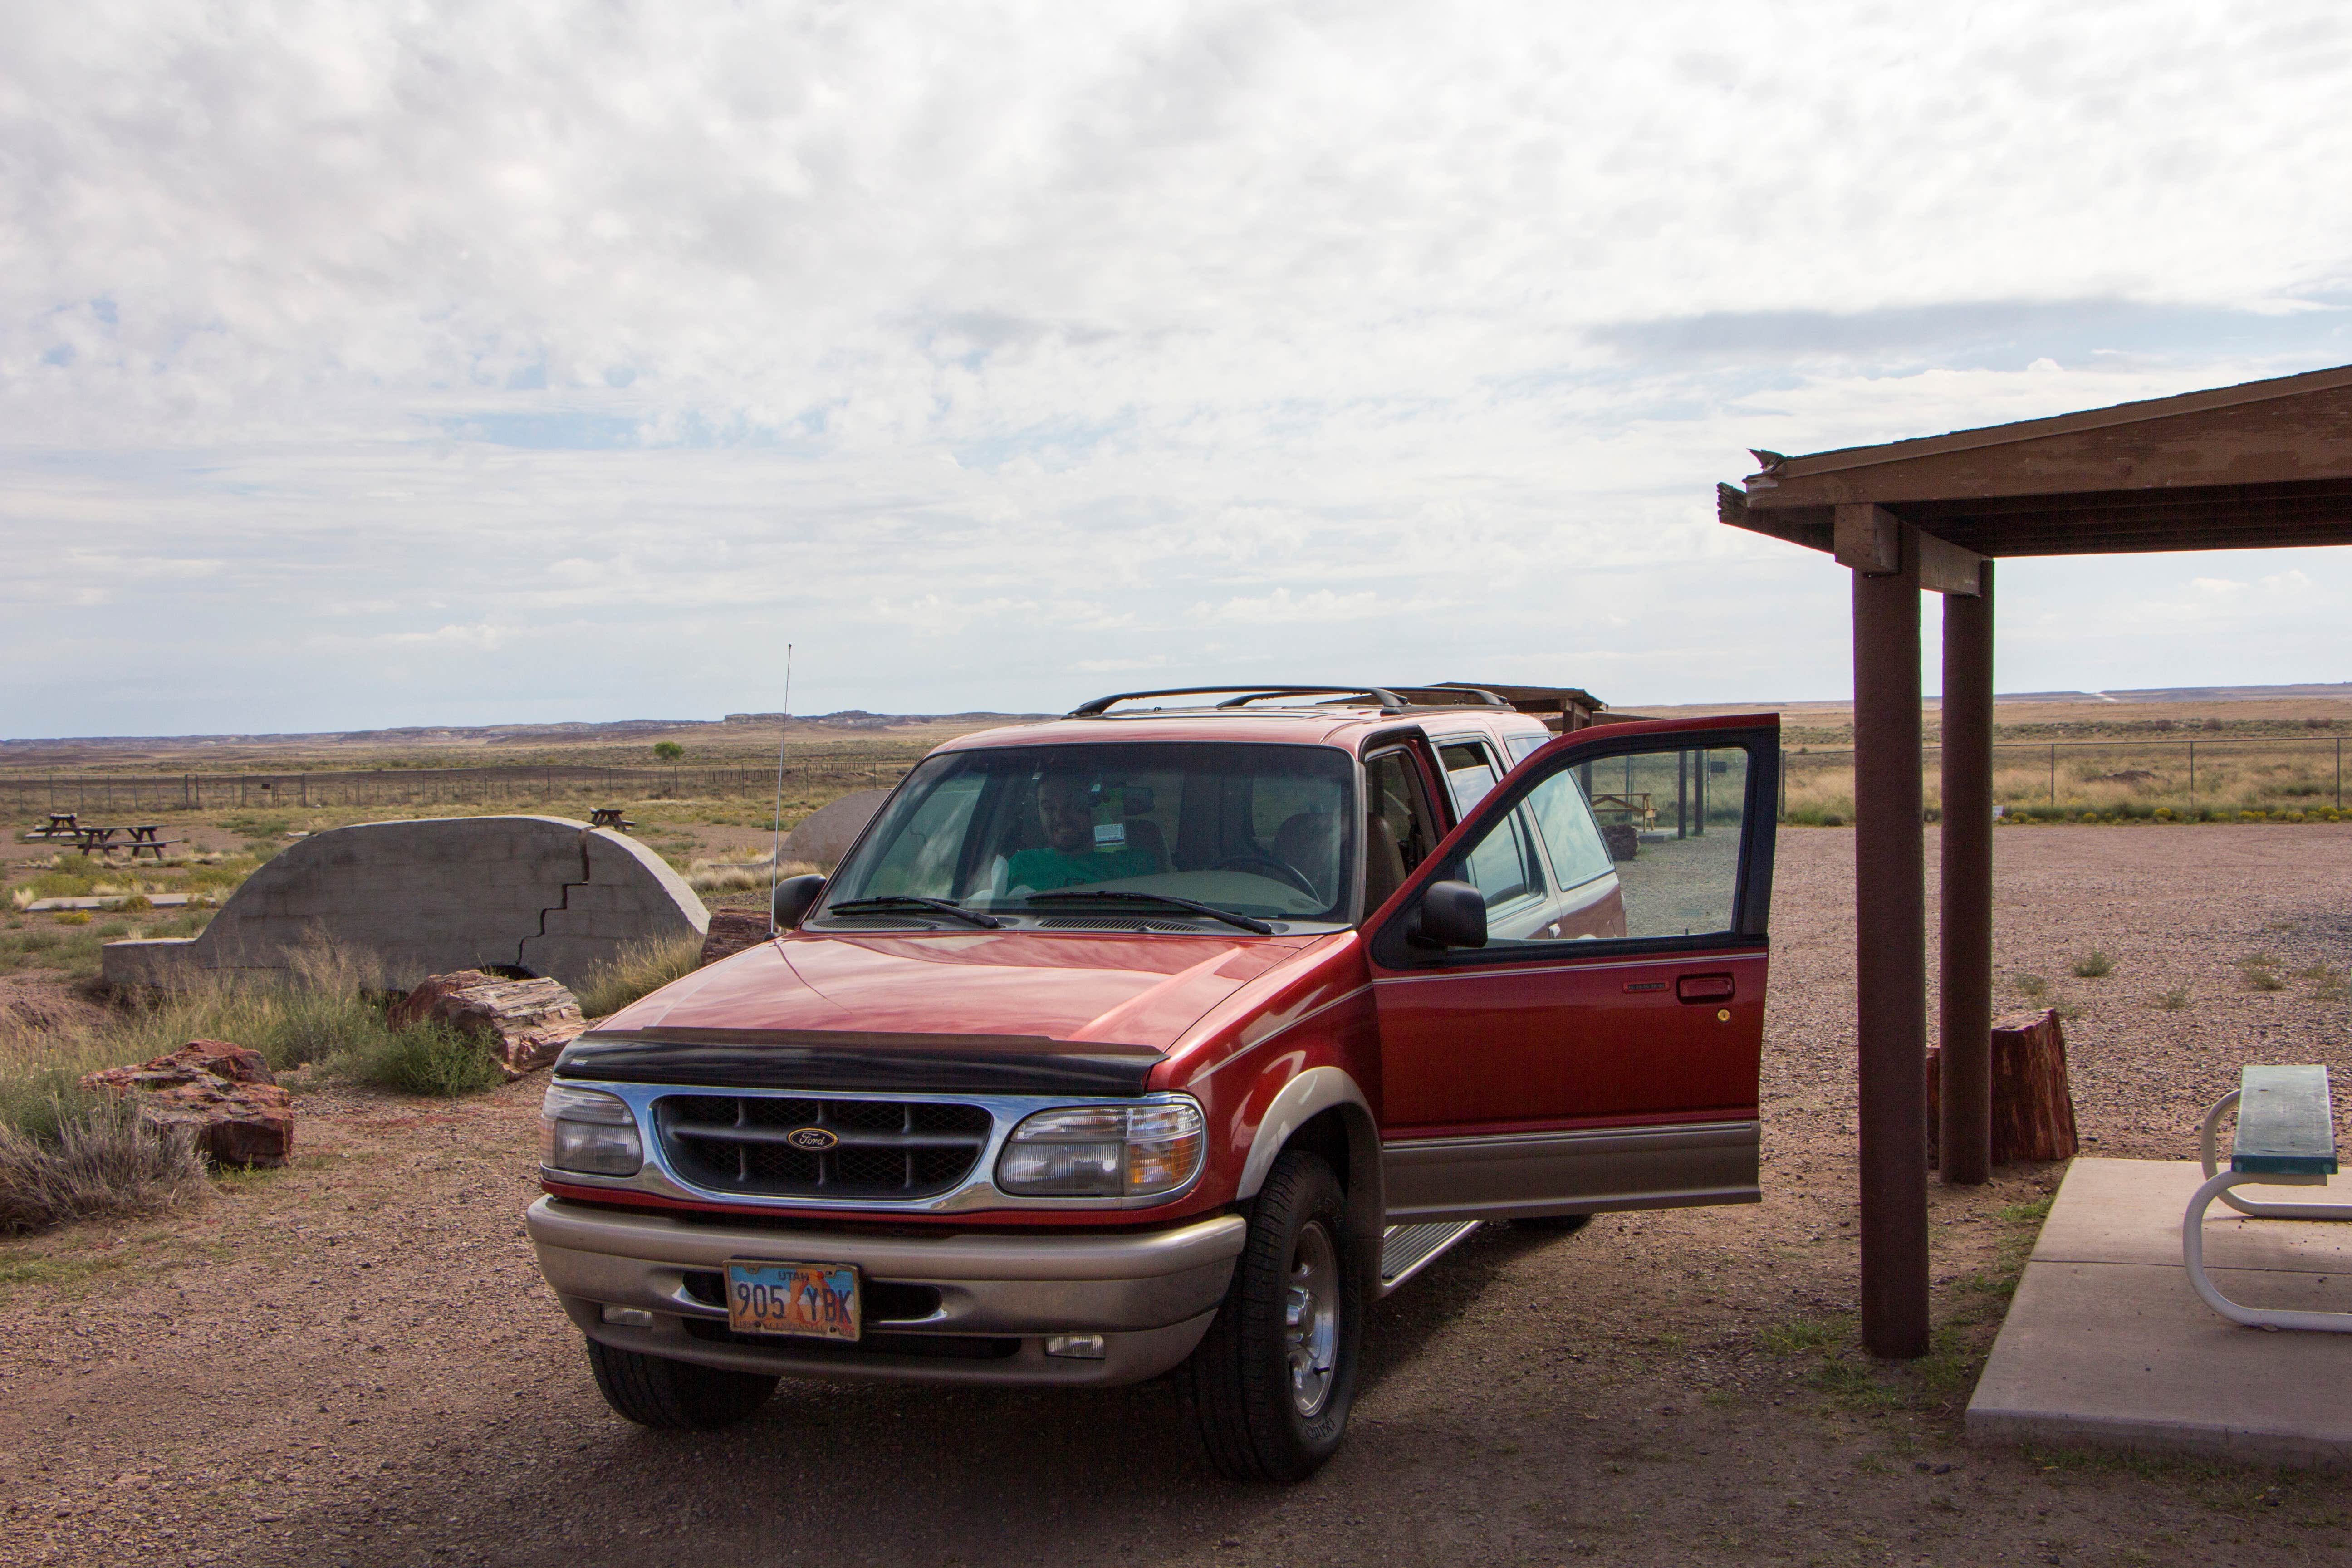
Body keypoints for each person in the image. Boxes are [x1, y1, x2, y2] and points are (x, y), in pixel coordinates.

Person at [1005, 771, 1161, 893]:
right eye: (1049, 808)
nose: (1060, 817)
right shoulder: (1020, 865)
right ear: (1038, 812)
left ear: (1094, 807)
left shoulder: (1134, 865)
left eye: (1073, 805)